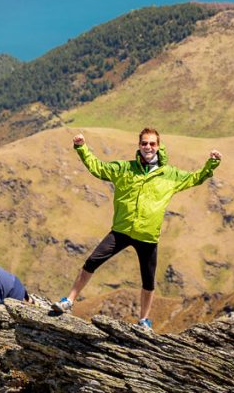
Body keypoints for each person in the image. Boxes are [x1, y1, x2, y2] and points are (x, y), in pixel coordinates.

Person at [51, 127, 222, 331]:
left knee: (148, 280)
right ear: (139, 145)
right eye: (144, 143)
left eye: (152, 144)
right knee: (91, 262)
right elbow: (98, 168)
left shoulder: (170, 175)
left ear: (158, 147)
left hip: (147, 236)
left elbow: (196, 178)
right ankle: (69, 301)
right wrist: (81, 148)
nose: (148, 147)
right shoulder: (125, 169)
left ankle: (144, 321)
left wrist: (212, 163)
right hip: (121, 230)